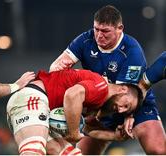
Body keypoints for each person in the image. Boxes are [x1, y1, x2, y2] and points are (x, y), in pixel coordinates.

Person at [49, 5, 166, 154]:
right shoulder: (85, 39)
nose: (99, 35)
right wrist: (58, 66)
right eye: (96, 29)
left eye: (105, 31)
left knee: (159, 151)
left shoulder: (132, 51)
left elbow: (125, 97)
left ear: (120, 28)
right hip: (101, 107)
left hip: (135, 106)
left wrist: (128, 115)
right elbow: (55, 69)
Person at [6, 68, 143, 155]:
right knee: (33, 150)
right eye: (126, 105)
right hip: (33, 98)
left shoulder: (96, 102)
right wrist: (73, 132)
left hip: (43, 112)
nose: (120, 110)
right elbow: (72, 95)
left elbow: (86, 130)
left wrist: (115, 137)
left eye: (125, 111)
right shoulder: (101, 86)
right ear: (123, 89)